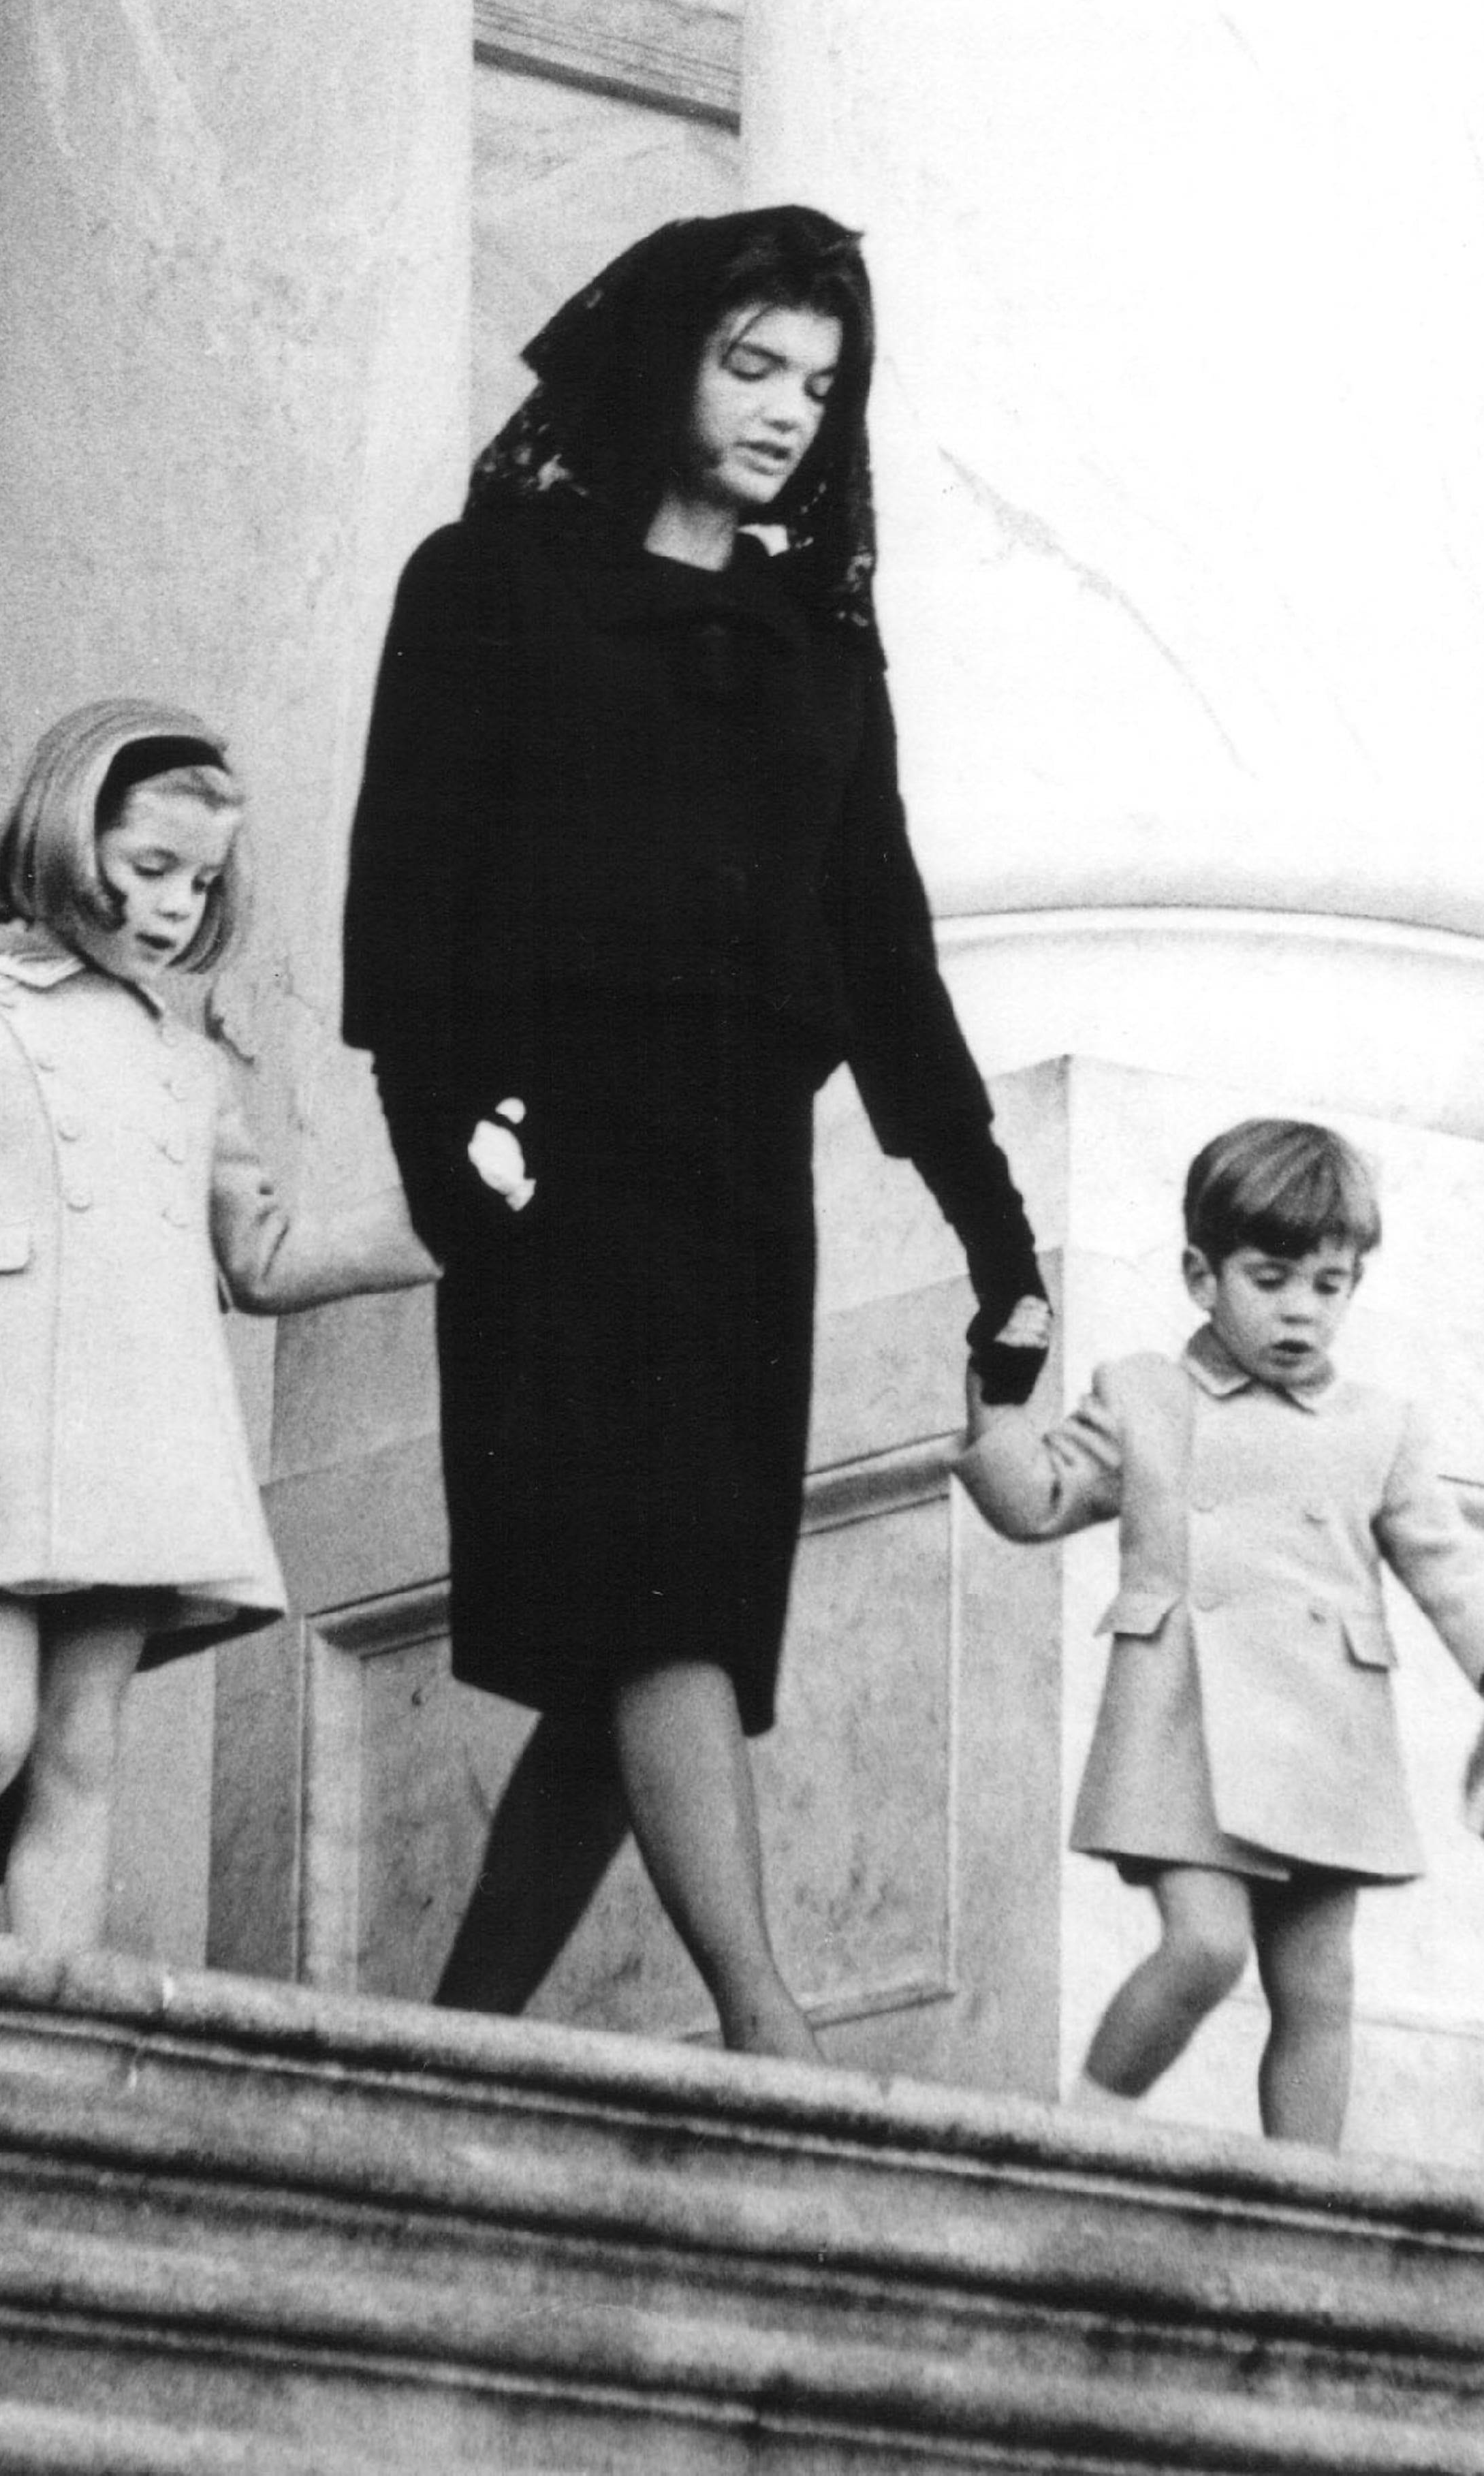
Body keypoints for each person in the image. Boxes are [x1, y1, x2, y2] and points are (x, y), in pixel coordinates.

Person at [342, 205, 1049, 2062]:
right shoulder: (487, 583)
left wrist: (1001, 1237)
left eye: (823, 383)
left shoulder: (822, 648)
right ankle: (773, 2028)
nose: (790, 413)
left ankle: (460, 2044)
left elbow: (882, 947)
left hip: (748, 1178)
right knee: (662, 1607)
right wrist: (455, 1154)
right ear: (661, 360)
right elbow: (406, 894)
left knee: (651, 1635)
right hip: (557, 1162)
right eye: (752, 366)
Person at [0, 701, 438, 1960]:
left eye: (203, 880)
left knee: (81, 1753)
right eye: (150, 868)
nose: (178, 906)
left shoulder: (190, 1062)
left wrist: (450, 1212)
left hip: (138, 1440)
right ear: (72, 838)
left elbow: (265, 1256)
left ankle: (49, 2020)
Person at [951, 1117, 1484, 2148]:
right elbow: (1039, 1501)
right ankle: (1085, 2139)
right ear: (1202, 1276)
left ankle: (1309, 2199)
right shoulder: (1145, 1396)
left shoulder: (1382, 1425)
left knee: (1320, 1988)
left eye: (1328, 1284)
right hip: (1182, 1726)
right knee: (1204, 1948)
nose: (1301, 1309)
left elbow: (1446, 1561)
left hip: (1325, 1736)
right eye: (1272, 1276)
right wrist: (996, 1413)